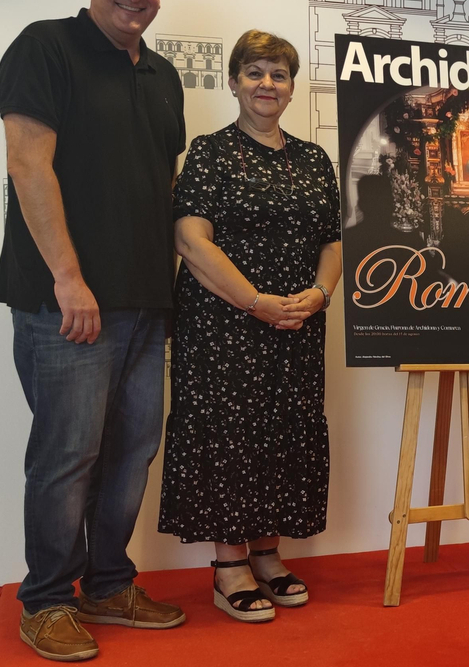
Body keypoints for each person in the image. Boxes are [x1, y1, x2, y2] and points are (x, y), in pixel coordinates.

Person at [0, 0, 186, 661]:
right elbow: (27, 162)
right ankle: (45, 600)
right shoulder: (44, 48)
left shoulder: (163, 76)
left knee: (132, 451)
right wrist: (68, 280)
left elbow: (161, 187)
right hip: (66, 305)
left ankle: (108, 585)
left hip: (146, 301)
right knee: (67, 455)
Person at [157, 30, 342, 624]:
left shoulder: (314, 159)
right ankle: (228, 565)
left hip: (297, 322)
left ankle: (268, 552)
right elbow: (190, 239)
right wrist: (256, 300)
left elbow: (333, 242)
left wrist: (317, 294)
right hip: (223, 325)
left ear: (291, 89)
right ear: (234, 81)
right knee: (229, 432)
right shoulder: (210, 152)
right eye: (255, 72)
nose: (267, 84)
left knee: (285, 429)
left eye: (279, 74)